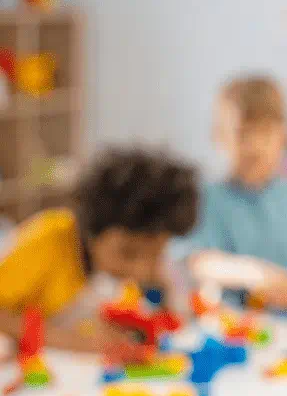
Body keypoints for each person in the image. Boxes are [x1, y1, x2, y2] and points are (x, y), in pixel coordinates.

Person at [0, 146, 199, 353]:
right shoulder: (50, 239)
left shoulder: (128, 273)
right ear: (93, 230)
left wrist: (168, 289)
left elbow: (172, 314)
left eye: (155, 254)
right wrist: (72, 341)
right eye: (127, 253)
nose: (139, 270)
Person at [179, 74, 287, 309]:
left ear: (284, 136)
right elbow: (195, 261)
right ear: (218, 136)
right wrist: (257, 274)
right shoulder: (203, 200)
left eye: (266, 133)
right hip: (226, 326)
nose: (255, 147)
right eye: (242, 134)